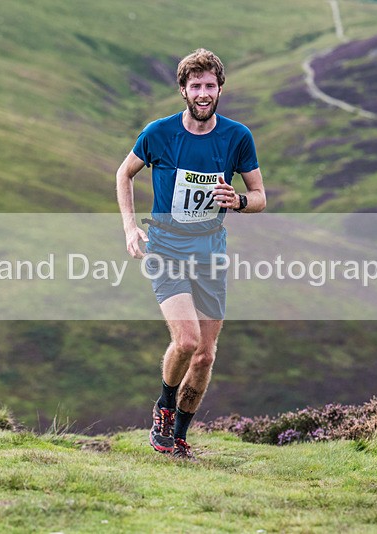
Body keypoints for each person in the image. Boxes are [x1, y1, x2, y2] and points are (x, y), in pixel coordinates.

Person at [116, 48, 266, 459]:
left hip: (210, 252)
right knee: (185, 342)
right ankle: (164, 407)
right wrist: (130, 227)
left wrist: (236, 200)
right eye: (195, 86)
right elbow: (124, 174)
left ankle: (178, 438)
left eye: (210, 86)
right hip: (165, 246)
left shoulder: (237, 137)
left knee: (205, 356)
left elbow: (260, 197)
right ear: (183, 90)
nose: (204, 93)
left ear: (220, 89)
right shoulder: (159, 133)